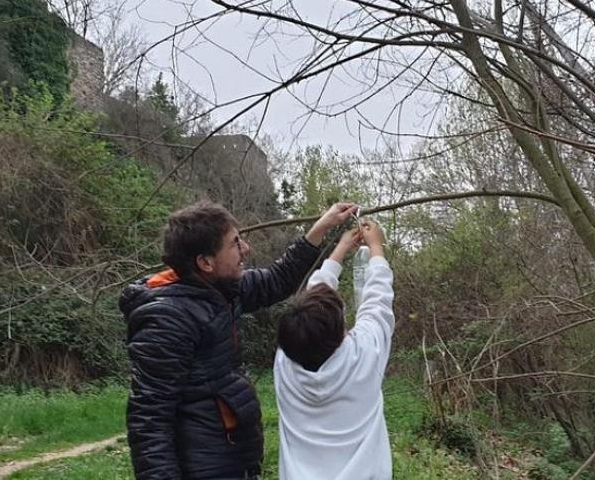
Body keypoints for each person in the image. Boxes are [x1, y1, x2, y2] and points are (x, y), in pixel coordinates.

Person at [119, 200, 357, 480]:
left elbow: (278, 280)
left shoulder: (221, 288)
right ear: (205, 262)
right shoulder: (167, 319)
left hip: (231, 459)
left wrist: (322, 226)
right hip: (205, 468)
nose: (246, 249)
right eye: (234, 244)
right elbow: (149, 418)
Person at [273, 219, 395, 480]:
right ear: (342, 332)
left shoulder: (285, 361)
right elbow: (378, 299)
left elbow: (312, 300)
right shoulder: (364, 353)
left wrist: (341, 248)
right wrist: (376, 247)